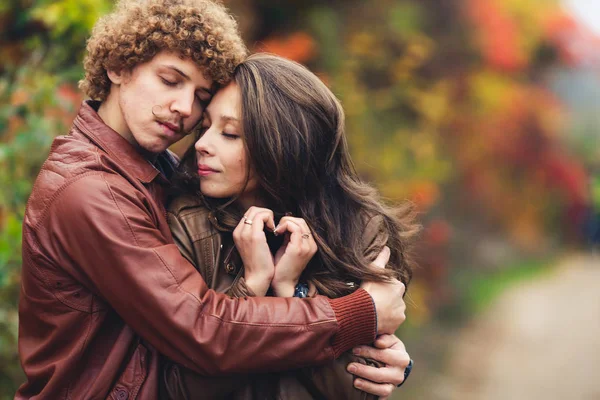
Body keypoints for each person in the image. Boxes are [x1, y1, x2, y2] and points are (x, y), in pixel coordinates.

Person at [16, 0, 410, 398]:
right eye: (170, 80)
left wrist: (381, 356)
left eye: (201, 95)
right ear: (118, 66)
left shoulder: (161, 172)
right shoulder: (92, 191)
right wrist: (359, 314)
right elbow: (205, 327)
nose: (184, 108)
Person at [161, 53, 419, 399]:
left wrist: (291, 291)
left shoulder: (360, 230)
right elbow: (178, 388)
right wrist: (251, 287)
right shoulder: (187, 223)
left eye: (230, 133)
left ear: (283, 146)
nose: (202, 145)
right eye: (205, 127)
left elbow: (359, 390)